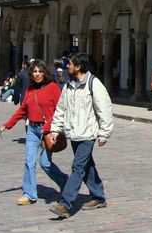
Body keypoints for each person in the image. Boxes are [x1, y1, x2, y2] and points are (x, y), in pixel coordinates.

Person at [47, 52, 114, 219]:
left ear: (78, 67)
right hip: (74, 133)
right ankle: (99, 197)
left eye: (69, 64)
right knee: (86, 166)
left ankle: (66, 204)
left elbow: (104, 109)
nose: (66, 66)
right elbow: (61, 109)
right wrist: (55, 129)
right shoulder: (69, 85)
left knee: (77, 167)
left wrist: (104, 133)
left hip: (88, 134)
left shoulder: (94, 84)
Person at [0, 60, 68, 205]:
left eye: (39, 71)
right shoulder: (30, 89)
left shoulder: (53, 88)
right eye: (34, 72)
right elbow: (23, 109)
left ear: (45, 73)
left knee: (45, 163)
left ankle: (64, 181)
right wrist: (9, 124)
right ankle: (29, 194)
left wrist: (49, 126)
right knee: (29, 161)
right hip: (32, 129)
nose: (37, 75)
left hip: (48, 131)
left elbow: (60, 110)